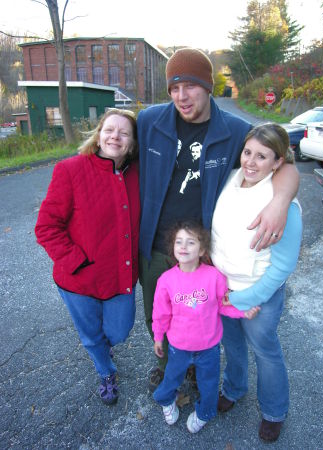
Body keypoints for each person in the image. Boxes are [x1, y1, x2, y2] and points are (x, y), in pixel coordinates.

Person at [137, 47, 300, 393]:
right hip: (155, 243)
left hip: (203, 250)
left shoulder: (237, 131)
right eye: (174, 88)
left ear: (208, 87)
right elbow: (114, 148)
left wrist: (282, 199)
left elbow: (282, 162)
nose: (182, 96)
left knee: (197, 314)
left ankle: (194, 367)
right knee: (158, 311)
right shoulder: (149, 122)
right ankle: (167, 363)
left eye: (191, 86)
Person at [35, 108, 140, 405]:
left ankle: (105, 349)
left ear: (132, 143)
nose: (115, 136)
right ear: (98, 135)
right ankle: (106, 371)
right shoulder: (70, 170)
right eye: (109, 129)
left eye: (123, 132)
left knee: (118, 332)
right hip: (78, 279)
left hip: (120, 276)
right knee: (92, 336)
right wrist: (76, 262)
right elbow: (46, 227)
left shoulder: (138, 175)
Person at [211, 123, 303, 442]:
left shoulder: (282, 202)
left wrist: (245, 299)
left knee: (265, 351)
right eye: (247, 152)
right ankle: (234, 388)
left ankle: (274, 411)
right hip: (224, 290)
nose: (250, 162)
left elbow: (283, 266)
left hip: (258, 296)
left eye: (261, 157)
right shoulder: (230, 179)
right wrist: (222, 291)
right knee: (232, 345)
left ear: (278, 163)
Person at [152, 220, 260, 433]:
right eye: (179, 242)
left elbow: (223, 305)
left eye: (190, 242)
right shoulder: (166, 280)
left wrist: (243, 312)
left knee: (209, 384)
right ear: (173, 248)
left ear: (201, 249)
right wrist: (158, 336)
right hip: (179, 347)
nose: (183, 247)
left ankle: (204, 413)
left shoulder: (214, 277)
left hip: (208, 348)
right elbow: (161, 312)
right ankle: (166, 400)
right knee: (172, 377)